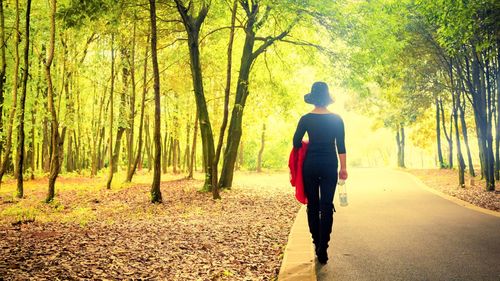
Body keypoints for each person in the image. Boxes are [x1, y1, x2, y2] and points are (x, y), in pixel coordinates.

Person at [292, 81, 348, 264]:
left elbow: (296, 142)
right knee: (326, 206)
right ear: (327, 98)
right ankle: (324, 247)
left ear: (313, 99)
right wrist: (343, 168)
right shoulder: (337, 119)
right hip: (330, 165)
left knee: (313, 206)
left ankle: (316, 242)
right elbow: (341, 145)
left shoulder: (305, 119)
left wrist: (306, 146)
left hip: (310, 166)